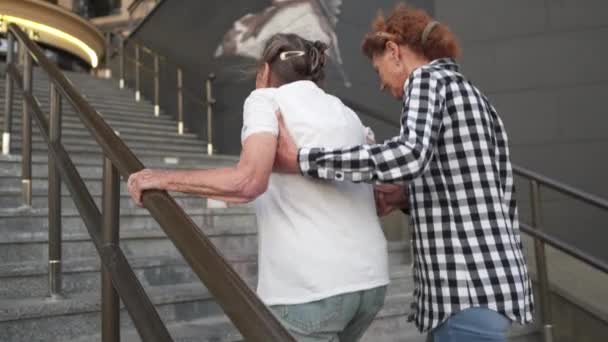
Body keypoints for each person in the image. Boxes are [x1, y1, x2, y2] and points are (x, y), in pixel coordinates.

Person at [273, 4, 534, 342]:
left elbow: (409, 154)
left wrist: (306, 159)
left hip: (464, 293)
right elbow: (474, 185)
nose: (382, 86)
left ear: (394, 52)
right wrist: (404, 197)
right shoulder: (472, 94)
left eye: (378, 69)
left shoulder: (425, 80)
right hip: (490, 288)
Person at [127, 33, 390, 341]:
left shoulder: (266, 99)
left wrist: (162, 178)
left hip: (313, 290)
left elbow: (248, 181)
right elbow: (380, 194)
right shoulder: (346, 113)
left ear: (264, 72)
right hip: (370, 284)